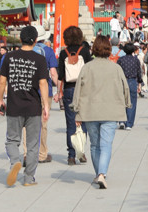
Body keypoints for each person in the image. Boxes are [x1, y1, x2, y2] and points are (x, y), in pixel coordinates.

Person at [71, 35, 130, 190]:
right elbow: (125, 88)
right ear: (109, 49)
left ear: (94, 49)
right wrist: (127, 104)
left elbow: (78, 90)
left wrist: (76, 110)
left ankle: (99, 173)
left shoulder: (87, 68)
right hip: (111, 111)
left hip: (90, 111)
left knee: (94, 144)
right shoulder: (116, 68)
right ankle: (102, 174)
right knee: (106, 145)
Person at [0, 26, 50, 188]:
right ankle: (29, 178)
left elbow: (2, 80)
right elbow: (43, 83)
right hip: (33, 107)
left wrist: (0, 99)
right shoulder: (40, 59)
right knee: (33, 144)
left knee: (12, 141)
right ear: (35, 41)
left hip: (14, 106)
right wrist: (46, 105)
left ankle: (15, 161)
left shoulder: (9, 57)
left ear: (20, 39)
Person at [57, 26, 92, 165]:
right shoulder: (84, 51)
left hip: (69, 89)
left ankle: (71, 155)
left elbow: (61, 75)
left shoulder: (63, 53)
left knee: (70, 122)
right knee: (83, 121)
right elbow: (90, 70)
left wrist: (59, 91)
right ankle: (81, 152)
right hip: (83, 89)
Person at [31, 29, 59, 164]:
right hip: (44, 90)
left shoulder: (25, 50)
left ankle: (26, 154)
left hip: (27, 91)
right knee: (43, 123)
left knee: (27, 124)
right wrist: (59, 89)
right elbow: (53, 73)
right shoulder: (48, 51)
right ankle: (42, 154)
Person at [117, 42, 142, 130]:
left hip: (122, 81)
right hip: (132, 81)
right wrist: (140, 82)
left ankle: (121, 121)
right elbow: (139, 72)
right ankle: (129, 123)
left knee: (121, 101)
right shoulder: (136, 60)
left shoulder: (120, 60)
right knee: (131, 102)